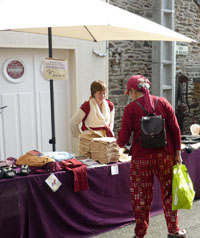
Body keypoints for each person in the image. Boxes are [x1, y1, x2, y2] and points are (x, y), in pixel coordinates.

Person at [117, 75, 186, 238]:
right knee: (169, 193)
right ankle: (174, 231)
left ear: (134, 90)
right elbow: (176, 129)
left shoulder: (131, 109)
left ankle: (140, 233)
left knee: (141, 197)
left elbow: (124, 138)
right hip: (165, 157)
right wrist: (177, 153)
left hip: (141, 159)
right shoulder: (162, 102)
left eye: (130, 92)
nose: (130, 95)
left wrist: (117, 142)